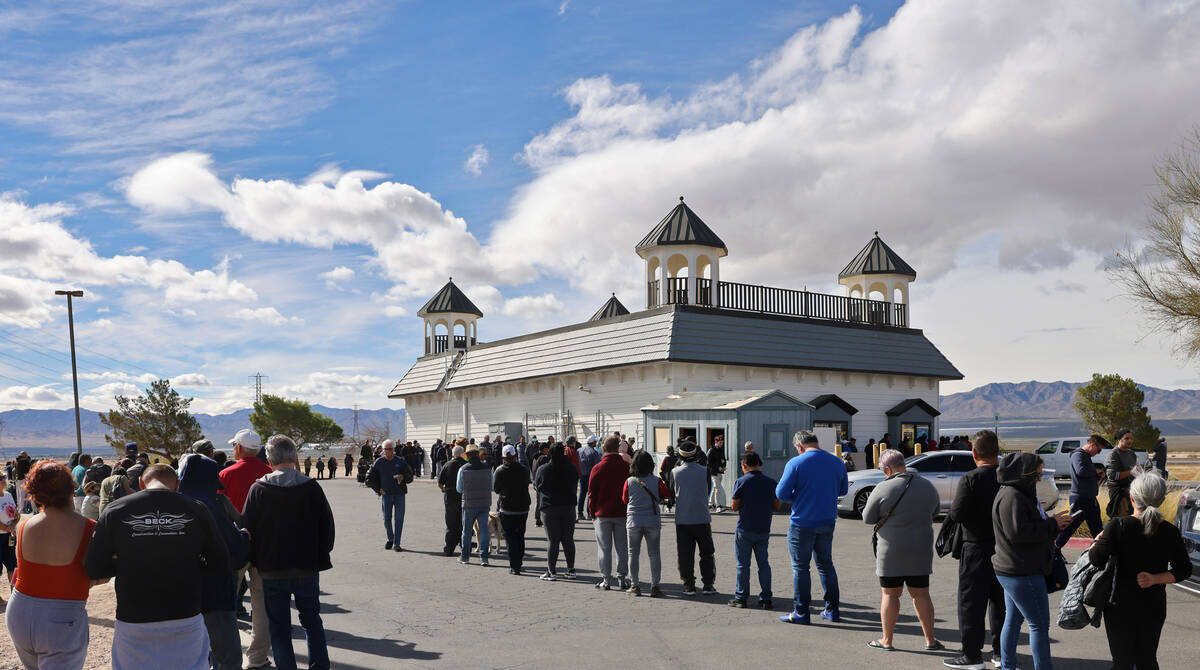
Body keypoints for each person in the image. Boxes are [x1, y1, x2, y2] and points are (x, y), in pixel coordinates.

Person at [85, 464, 230, 670]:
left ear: (142, 484)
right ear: (177, 485)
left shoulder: (115, 510)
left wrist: (125, 562)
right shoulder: (196, 508)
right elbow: (220, 563)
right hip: (185, 615)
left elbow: (95, 568)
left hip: (134, 618)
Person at [242, 435, 335, 670]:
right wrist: (319, 554)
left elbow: (247, 530)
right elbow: (327, 527)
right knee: (312, 621)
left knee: (280, 628)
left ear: (269, 459)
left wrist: (255, 561)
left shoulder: (258, 489)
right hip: (306, 566)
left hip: (272, 570)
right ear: (294, 458)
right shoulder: (311, 487)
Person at [1088, 470, 1191, 669]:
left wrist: (1097, 540)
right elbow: (1183, 569)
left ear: (1132, 498)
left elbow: (1096, 559)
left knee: (1122, 662)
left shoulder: (1117, 526)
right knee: (1147, 660)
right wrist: (1155, 579)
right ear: (1162, 500)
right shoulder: (1169, 531)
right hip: (1153, 605)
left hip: (1119, 605)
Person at [6, 462, 103, 669]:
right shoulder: (90, 529)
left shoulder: (23, 526)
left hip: (19, 611)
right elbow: (99, 573)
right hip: (62, 617)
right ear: (71, 488)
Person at [992, 452, 1070, 670]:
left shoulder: (1017, 493)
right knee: (1038, 625)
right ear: (1023, 474)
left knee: (1014, 620)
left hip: (1014, 568)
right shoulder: (1013, 497)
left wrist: (1053, 521)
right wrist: (1053, 525)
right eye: (1037, 475)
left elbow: (1026, 527)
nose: (1039, 479)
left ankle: (1008, 666)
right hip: (1022, 570)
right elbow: (1020, 534)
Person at [862, 449, 942, 652]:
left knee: (890, 594)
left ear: (887, 468)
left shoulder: (883, 487)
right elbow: (935, 511)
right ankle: (930, 640)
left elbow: (867, 518)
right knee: (921, 594)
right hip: (920, 549)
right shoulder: (927, 486)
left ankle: (887, 640)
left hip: (891, 551)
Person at [178, 454, 250, 670]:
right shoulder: (210, 504)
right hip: (215, 593)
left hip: (181, 597)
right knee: (228, 658)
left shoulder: (173, 503)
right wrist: (244, 537)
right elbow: (233, 550)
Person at [944, 429, 1006, 670]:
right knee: (1000, 603)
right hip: (1005, 549)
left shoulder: (970, 478)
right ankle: (1001, 653)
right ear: (997, 452)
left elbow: (957, 513)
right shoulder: (1008, 477)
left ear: (974, 452)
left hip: (976, 548)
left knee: (971, 603)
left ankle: (971, 655)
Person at [775, 430, 847, 625]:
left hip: (802, 522)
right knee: (825, 565)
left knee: (801, 568)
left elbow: (781, 493)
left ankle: (801, 612)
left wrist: (798, 496)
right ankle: (832, 610)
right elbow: (843, 490)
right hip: (827, 520)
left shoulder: (796, 463)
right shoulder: (836, 462)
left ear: (799, 446)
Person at [218, 428, 273, 670]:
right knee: (261, 604)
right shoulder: (270, 473)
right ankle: (258, 658)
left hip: (234, 547)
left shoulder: (225, 474)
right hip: (263, 546)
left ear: (238, 448)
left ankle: (228, 657)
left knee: (227, 603)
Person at [729, 452, 781, 609]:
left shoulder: (741, 482)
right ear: (758, 464)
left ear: (744, 465)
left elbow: (734, 506)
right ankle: (766, 598)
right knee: (763, 564)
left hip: (745, 528)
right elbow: (777, 506)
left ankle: (741, 597)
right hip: (764, 528)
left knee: (743, 565)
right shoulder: (771, 482)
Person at [623, 450, 671, 597]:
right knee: (654, 554)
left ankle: (635, 585)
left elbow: (625, 500)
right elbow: (667, 494)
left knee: (633, 553)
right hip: (652, 520)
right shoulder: (657, 481)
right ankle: (655, 586)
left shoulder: (629, 481)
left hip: (634, 520)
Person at [672, 438, 717, 596]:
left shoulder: (675, 472)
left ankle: (688, 584)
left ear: (681, 455)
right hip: (702, 517)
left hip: (682, 518)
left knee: (685, 553)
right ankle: (708, 584)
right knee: (707, 553)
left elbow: (672, 491)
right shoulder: (705, 470)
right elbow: (709, 489)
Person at [589, 436, 629, 590]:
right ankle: (622, 578)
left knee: (604, 548)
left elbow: (592, 493)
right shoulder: (626, 467)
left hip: (602, 513)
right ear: (618, 448)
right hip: (621, 512)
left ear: (604, 448)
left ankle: (606, 579)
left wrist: (592, 513)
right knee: (622, 547)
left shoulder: (598, 467)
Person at [534, 443, 579, 581]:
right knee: (568, 539)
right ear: (564, 453)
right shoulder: (571, 468)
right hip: (568, 507)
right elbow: (576, 482)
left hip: (549, 508)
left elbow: (537, 486)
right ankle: (571, 569)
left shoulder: (543, 469)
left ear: (550, 454)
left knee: (553, 540)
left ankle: (551, 571)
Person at [1054, 434, 1106, 549]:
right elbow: (1081, 471)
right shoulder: (1078, 455)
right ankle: (1054, 551)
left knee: (1097, 529)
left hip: (1090, 498)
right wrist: (1096, 471)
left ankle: (1100, 552)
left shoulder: (1086, 456)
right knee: (1069, 528)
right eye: (1098, 450)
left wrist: (1097, 475)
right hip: (1081, 499)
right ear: (1092, 445)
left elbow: (1086, 474)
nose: (1098, 453)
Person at [492, 445, 531, 575]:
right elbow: (527, 483)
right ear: (516, 456)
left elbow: (496, 489)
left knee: (510, 538)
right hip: (522, 507)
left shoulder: (499, 470)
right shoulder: (524, 469)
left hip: (507, 508)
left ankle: (514, 566)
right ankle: (519, 563)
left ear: (503, 457)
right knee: (520, 536)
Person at [370, 439, 414, 551]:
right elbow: (370, 479)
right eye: (386, 449)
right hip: (386, 495)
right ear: (383, 450)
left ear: (394, 450)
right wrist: (378, 489)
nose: (388, 451)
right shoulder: (379, 462)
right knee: (386, 519)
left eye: (390, 449)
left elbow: (410, 476)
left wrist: (403, 477)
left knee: (399, 519)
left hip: (399, 495)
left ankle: (397, 543)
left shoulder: (401, 461)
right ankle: (390, 538)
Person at [456, 444, 492, 566]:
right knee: (484, 531)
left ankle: (465, 556)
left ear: (467, 456)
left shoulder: (463, 469)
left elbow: (459, 489)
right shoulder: (488, 468)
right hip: (484, 504)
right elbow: (491, 486)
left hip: (469, 504)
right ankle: (484, 557)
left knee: (466, 531)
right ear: (477, 454)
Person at [438, 442, 468, 556]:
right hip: (463, 497)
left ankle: (449, 548)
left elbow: (440, 483)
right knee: (463, 523)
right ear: (462, 454)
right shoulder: (466, 465)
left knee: (451, 524)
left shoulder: (447, 465)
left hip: (450, 496)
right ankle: (464, 545)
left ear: (453, 454)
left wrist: (444, 489)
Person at [1105, 428, 1138, 518]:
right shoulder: (1114, 454)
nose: (1130, 441)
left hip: (1131, 492)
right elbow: (1111, 476)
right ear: (1119, 440)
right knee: (1121, 521)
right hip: (1119, 493)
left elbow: (1133, 473)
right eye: (1127, 438)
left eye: (1131, 438)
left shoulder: (1131, 454)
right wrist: (1131, 472)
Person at [0, 472, 20, 596]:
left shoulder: (8, 495)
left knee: (12, 564)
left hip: (10, 536)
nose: (3, 480)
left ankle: (14, 594)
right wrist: (6, 527)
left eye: (4, 477)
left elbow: (16, 513)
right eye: (0, 478)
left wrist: (12, 525)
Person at [577, 435, 602, 521]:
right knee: (590, 494)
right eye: (595, 441)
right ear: (593, 442)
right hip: (590, 475)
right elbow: (597, 466)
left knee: (582, 494)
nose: (596, 443)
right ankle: (589, 513)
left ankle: (580, 513)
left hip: (581, 475)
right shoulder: (594, 452)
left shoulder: (579, 450)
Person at [707, 435, 728, 512]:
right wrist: (717, 468)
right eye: (720, 442)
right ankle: (718, 506)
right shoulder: (711, 451)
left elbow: (723, 460)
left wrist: (723, 466)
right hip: (713, 473)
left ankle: (710, 504)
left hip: (719, 472)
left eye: (722, 442)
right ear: (716, 442)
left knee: (715, 488)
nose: (721, 444)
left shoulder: (720, 450)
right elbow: (708, 463)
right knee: (717, 488)